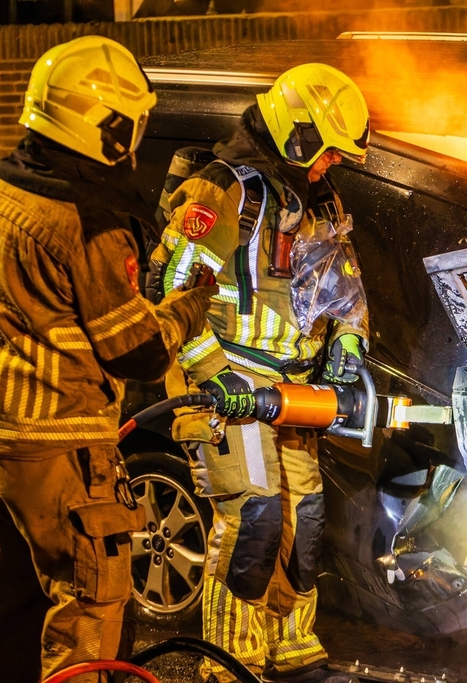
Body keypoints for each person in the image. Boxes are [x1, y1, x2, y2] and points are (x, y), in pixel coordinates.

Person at [0, 36, 215, 683]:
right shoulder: (86, 219)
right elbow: (137, 351)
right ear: (110, 125)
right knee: (87, 618)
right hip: (59, 447)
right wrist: (188, 305)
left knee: (6, 609)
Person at [149, 63, 370, 683]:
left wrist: (348, 344)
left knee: (305, 520)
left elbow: (342, 288)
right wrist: (212, 376)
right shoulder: (223, 191)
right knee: (254, 517)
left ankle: (289, 648)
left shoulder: (320, 199)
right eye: (326, 151)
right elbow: (168, 286)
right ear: (296, 131)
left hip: (292, 391)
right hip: (228, 387)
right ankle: (231, 661)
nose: (332, 165)